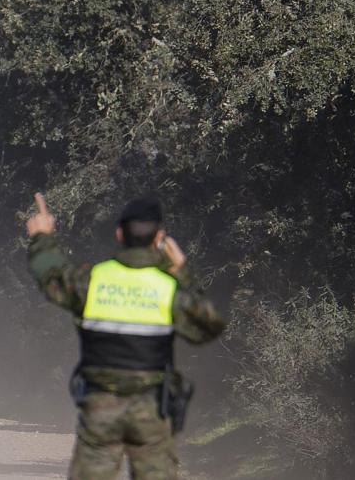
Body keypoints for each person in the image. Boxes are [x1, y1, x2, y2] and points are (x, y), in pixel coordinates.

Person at [25, 193, 226, 480]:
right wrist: (181, 271)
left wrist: (43, 236)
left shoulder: (93, 281)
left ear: (119, 233)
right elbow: (210, 325)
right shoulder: (168, 288)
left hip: (100, 408)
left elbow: (51, 276)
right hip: (151, 410)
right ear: (159, 237)